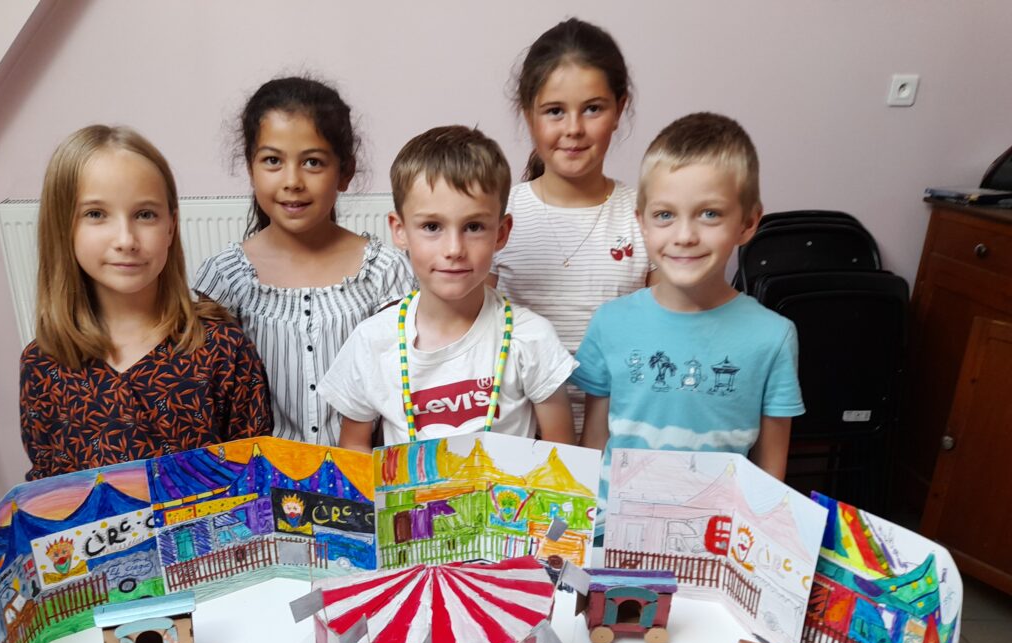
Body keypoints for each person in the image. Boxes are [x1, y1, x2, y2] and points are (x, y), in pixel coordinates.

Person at [20, 125, 271, 481]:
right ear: (62, 227)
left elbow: (255, 476)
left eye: (145, 214)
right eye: (96, 214)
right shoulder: (43, 364)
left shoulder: (223, 349)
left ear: (171, 226)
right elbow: (49, 490)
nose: (126, 240)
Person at [572, 112, 804, 479]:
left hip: (719, 514)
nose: (684, 236)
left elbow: (770, 472)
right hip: (614, 514)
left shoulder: (773, 337)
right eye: (665, 215)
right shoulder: (610, 323)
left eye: (709, 214)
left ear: (747, 223)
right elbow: (594, 446)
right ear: (642, 222)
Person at [321, 125, 576, 452]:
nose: (454, 249)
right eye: (432, 226)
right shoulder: (372, 341)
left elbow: (563, 457)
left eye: (474, 227)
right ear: (400, 231)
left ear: (501, 233)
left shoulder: (531, 338)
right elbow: (353, 451)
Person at [191, 77, 415, 446]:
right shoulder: (226, 278)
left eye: (312, 162)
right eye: (272, 161)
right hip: (261, 472)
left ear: (345, 172)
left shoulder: (385, 273)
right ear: (250, 168)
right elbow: (214, 396)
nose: (292, 181)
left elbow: (401, 387)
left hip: (363, 468)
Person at [491, 18, 649, 425]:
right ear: (528, 114)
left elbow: (663, 333)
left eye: (593, 109)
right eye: (555, 112)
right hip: (521, 436)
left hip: (621, 430)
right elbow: (476, 335)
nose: (574, 129)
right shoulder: (497, 216)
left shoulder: (647, 216)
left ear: (620, 109)